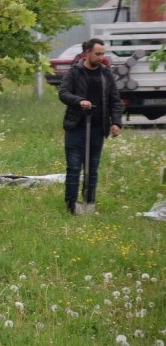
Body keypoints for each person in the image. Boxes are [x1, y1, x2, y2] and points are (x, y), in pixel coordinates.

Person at [58, 37, 122, 214]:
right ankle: (71, 205)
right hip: (76, 127)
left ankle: (89, 203)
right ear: (88, 53)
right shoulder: (75, 72)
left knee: (92, 169)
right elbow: (63, 93)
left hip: (97, 128)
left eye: (103, 54)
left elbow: (114, 100)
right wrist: (79, 101)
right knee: (74, 168)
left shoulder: (106, 74)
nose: (101, 57)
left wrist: (116, 122)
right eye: (97, 54)